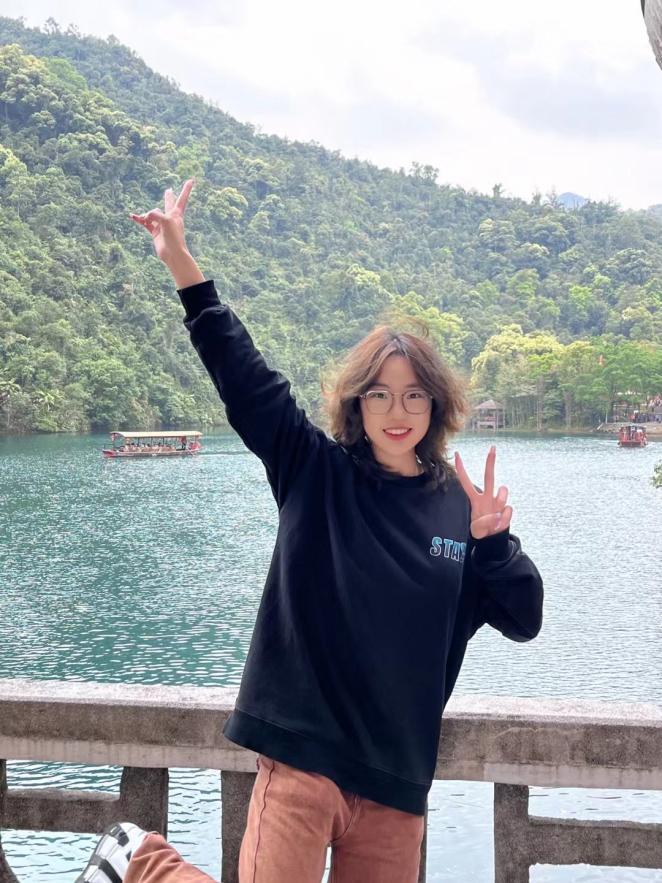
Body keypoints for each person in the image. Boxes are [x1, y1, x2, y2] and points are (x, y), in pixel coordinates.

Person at [76, 180, 543, 883]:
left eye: (414, 394)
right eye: (379, 393)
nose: (397, 410)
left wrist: (495, 545)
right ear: (357, 402)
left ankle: (137, 861)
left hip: (396, 780)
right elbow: (247, 381)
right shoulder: (315, 471)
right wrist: (182, 265)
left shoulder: (459, 508)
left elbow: (524, 619)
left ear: (435, 405)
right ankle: (145, 862)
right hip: (302, 756)